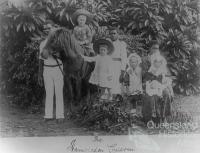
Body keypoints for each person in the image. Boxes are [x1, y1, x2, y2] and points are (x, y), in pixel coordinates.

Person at [38, 37, 65, 123]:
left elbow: (65, 56)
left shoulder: (59, 41)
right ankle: (48, 115)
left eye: (49, 29)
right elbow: (41, 59)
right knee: (49, 92)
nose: (47, 31)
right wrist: (39, 74)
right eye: (45, 29)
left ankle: (60, 115)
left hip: (58, 68)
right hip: (47, 69)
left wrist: (58, 55)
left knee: (59, 93)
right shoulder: (42, 43)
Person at [142, 53, 173, 124]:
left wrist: (167, 87)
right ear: (153, 62)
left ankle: (163, 116)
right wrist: (149, 83)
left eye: (159, 62)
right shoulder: (150, 70)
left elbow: (167, 82)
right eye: (156, 62)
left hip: (162, 87)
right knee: (149, 96)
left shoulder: (163, 71)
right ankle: (151, 117)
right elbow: (147, 81)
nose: (157, 64)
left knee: (166, 93)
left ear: (162, 63)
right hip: (152, 88)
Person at [109, 27, 128, 100]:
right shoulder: (107, 44)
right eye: (111, 34)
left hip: (117, 65)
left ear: (118, 35)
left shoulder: (121, 44)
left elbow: (124, 58)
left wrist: (122, 71)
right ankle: (108, 102)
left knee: (117, 84)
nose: (112, 35)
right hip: (109, 65)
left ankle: (116, 102)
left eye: (114, 33)